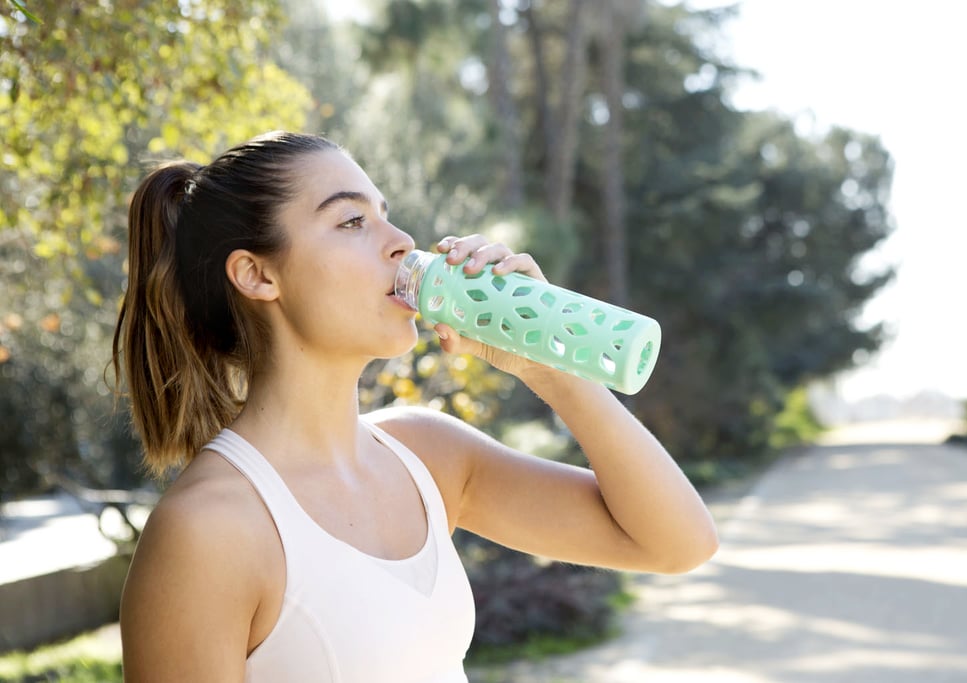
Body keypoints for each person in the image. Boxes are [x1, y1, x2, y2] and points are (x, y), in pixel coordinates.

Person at [112, 130, 718, 682]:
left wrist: (548, 368)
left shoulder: (427, 455)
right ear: (257, 274)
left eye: (387, 215)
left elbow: (676, 544)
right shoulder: (210, 529)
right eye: (351, 221)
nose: (401, 242)